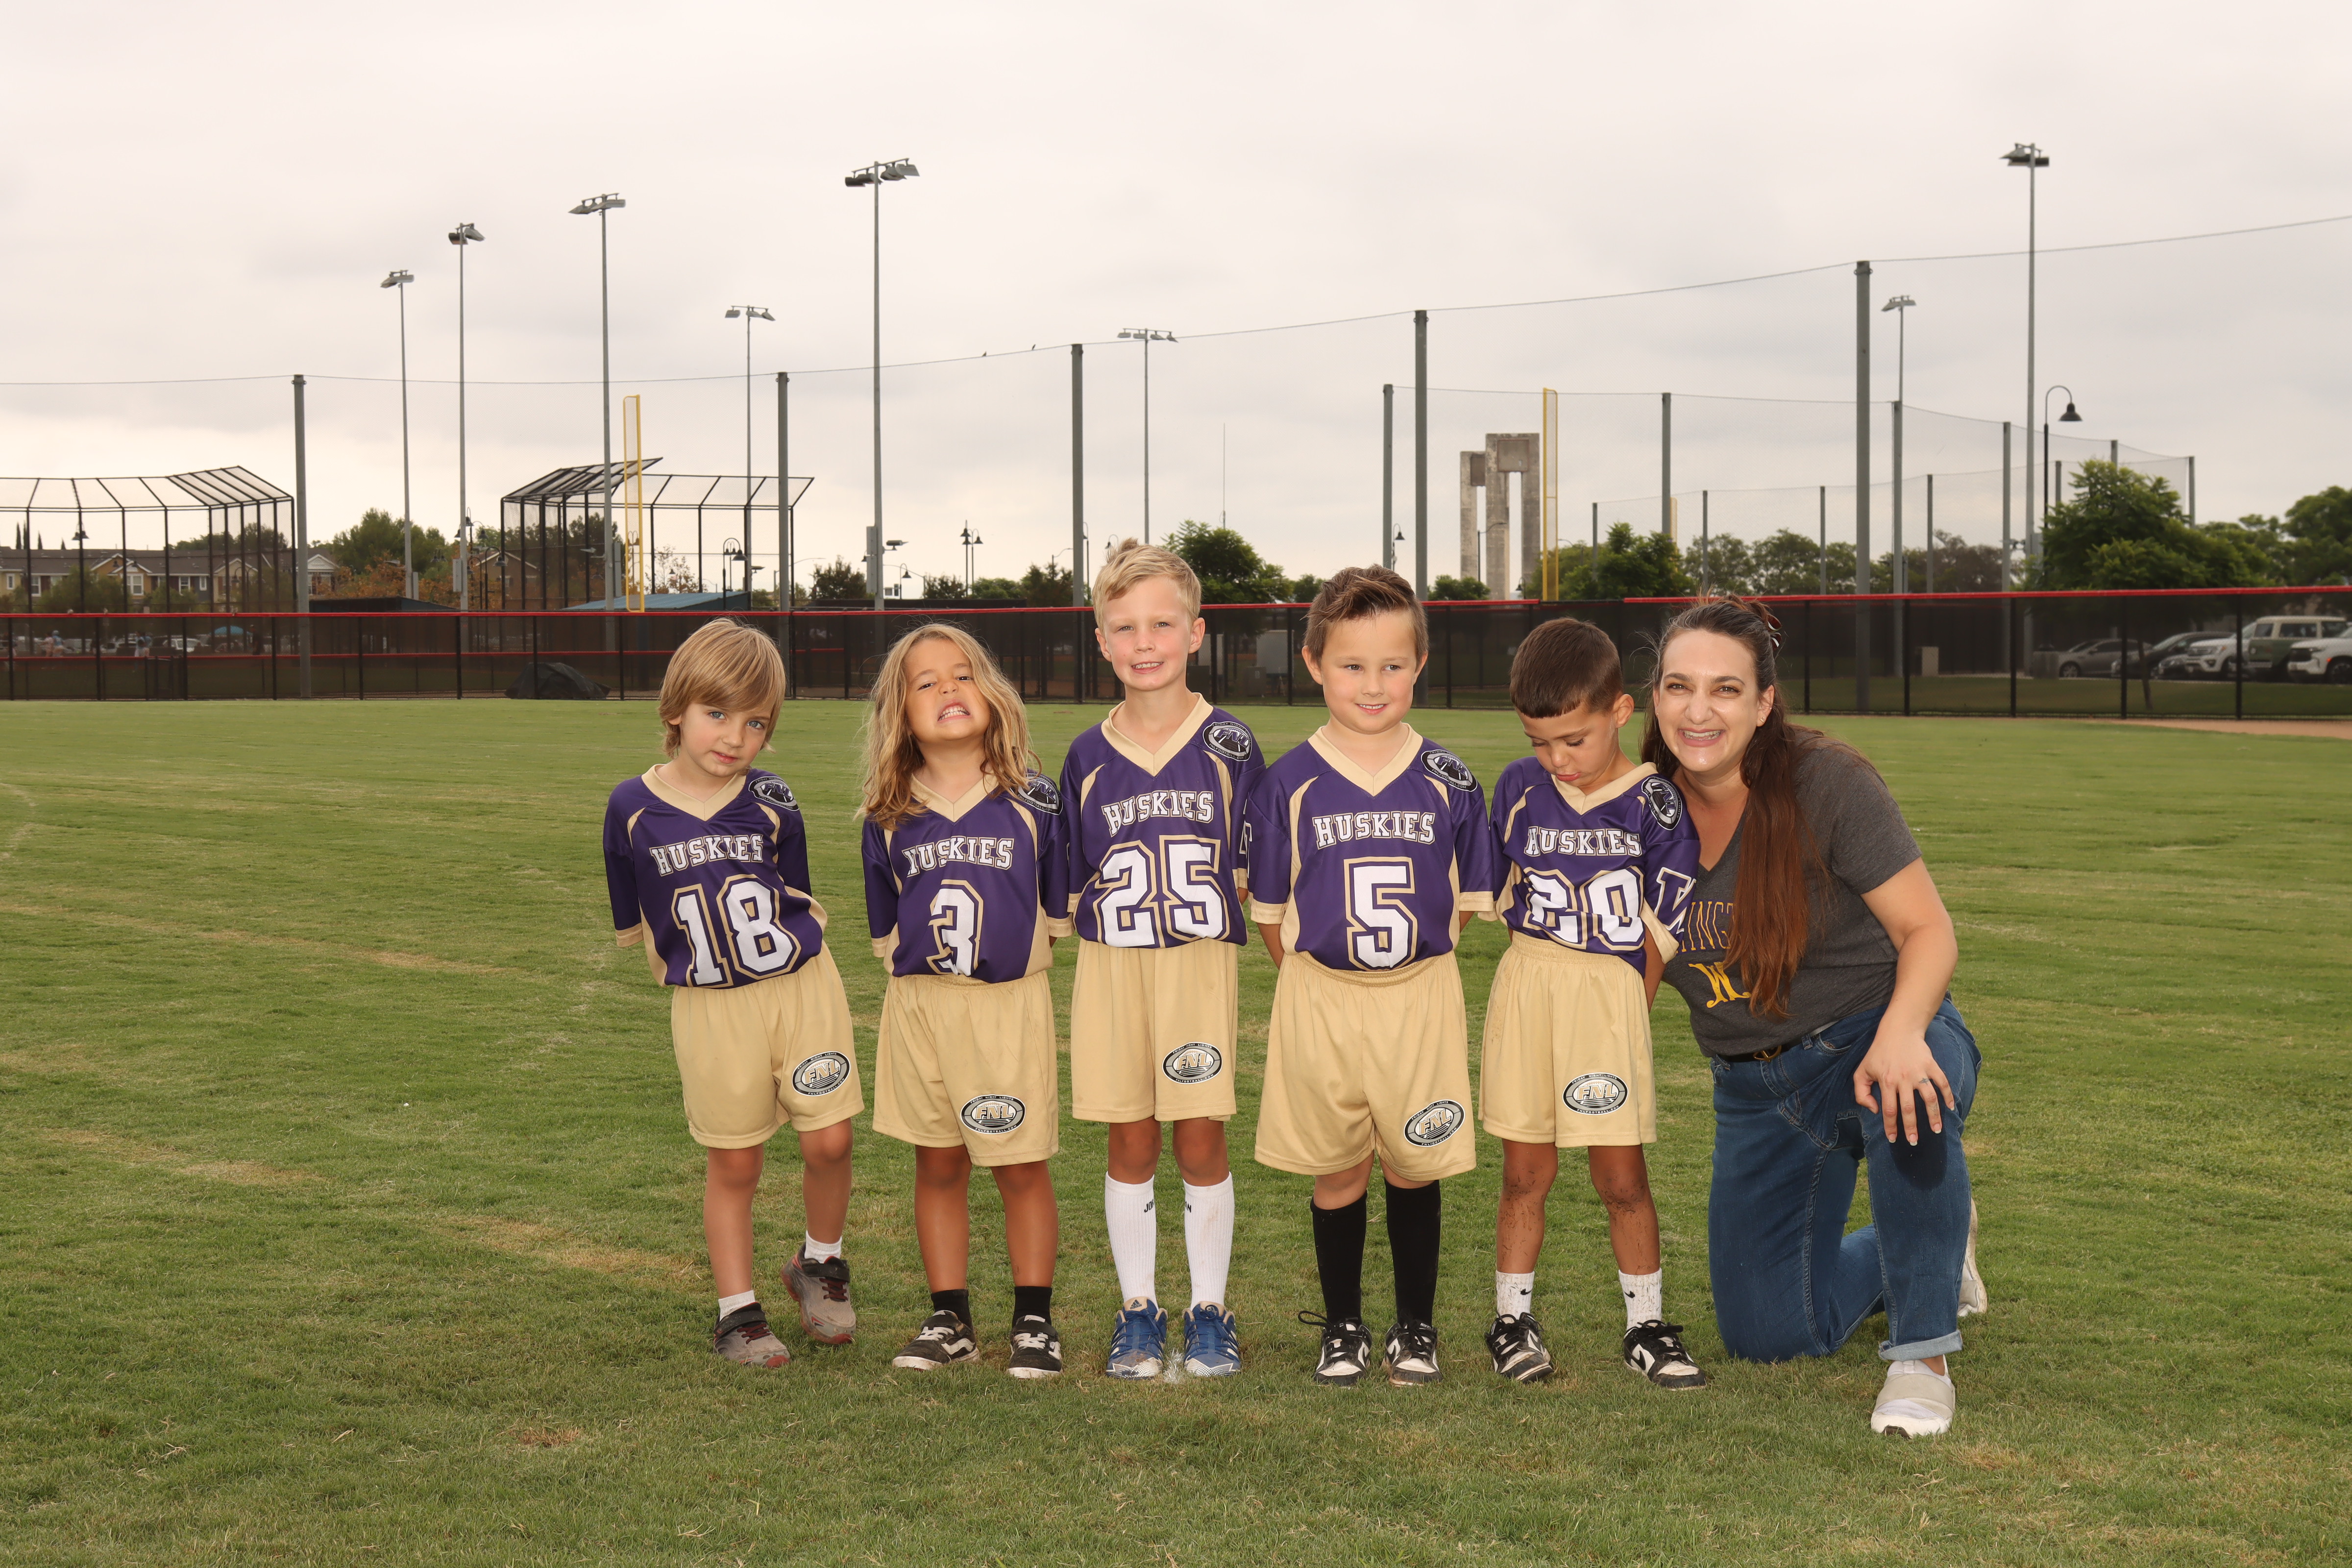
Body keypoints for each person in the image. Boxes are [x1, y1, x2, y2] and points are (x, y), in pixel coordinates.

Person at [1642, 596, 1980, 1438]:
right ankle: (1938, 1246)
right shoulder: (1636, 811)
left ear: (1763, 703)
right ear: (1654, 697)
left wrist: (1900, 1035)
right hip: (1755, 1090)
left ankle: (1923, 1357)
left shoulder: (1826, 781)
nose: (1698, 710)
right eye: (1679, 686)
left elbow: (1928, 932)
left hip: (1875, 1030)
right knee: (1769, 1337)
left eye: (1725, 689)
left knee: (1906, 1095)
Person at [1245, 566, 1495, 1386]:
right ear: (1314, 664)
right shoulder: (1288, 782)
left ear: (1420, 663)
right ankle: (1344, 1325)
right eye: (1352, 665)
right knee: (1338, 1167)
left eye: (1392, 665)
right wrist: (1328, 977)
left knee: (1414, 1163)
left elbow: (1463, 904)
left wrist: (1406, 962)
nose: (1374, 684)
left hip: (1418, 993)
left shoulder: (1449, 779)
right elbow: (1273, 915)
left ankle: (1415, 1326)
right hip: (1322, 993)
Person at [599, 618, 861, 1369]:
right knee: (736, 1163)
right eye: (717, 713)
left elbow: (794, 894)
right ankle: (736, 1313)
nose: (735, 737)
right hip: (713, 1007)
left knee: (831, 1138)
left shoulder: (774, 797)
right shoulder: (631, 806)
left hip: (802, 988)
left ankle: (820, 1260)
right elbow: (638, 917)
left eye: (756, 723)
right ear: (675, 709)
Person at [1480, 616, 1708, 1390]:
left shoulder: (1655, 803)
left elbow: (1660, 930)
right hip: (1531, 983)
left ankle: (1646, 1325)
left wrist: (1627, 1012)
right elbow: (1495, 887)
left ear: (1620, 711)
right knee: (1525, 1172)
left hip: (1609, 995)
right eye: (1540, 742)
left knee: (1622, 1176)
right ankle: (1512, 1320)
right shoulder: (1519, 787)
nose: (1557, 759)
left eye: (1573, 740)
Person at [1060, 540, 1260, 1380]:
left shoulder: (1231, 744)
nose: (1144, 643)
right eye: (1125, 627)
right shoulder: (1085, 755)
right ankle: (1138, 1307)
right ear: (1102, 641)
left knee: (1201, 1135)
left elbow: (1254, 871)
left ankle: (1210, 1308)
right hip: (1113, 968)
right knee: (1130, 1137)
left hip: (1196, 965)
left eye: (1161, 625)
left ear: (1196, 633)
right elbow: (1074, 879)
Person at [861, 623, 1070, 1378]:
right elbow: (887, 928)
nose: (949, 689)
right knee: (939, 1163)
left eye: (963, 674)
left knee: (1020, 1163)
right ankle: (949, 1316)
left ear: (993, 693)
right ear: (900, 714)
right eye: (926, 683)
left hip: (1006, 1005)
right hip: (921, 1005)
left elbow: (1055, 914)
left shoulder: (1035, 800)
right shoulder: (888, 813)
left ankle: (1034, 1320)